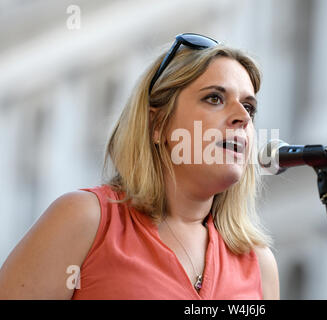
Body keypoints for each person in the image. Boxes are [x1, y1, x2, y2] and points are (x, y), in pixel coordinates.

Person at [0, 33, 279, 300]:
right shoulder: (84, 220)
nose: (242, 117)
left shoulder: (259, 264)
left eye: (249, 107)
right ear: (157, 124)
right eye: (214, 98)